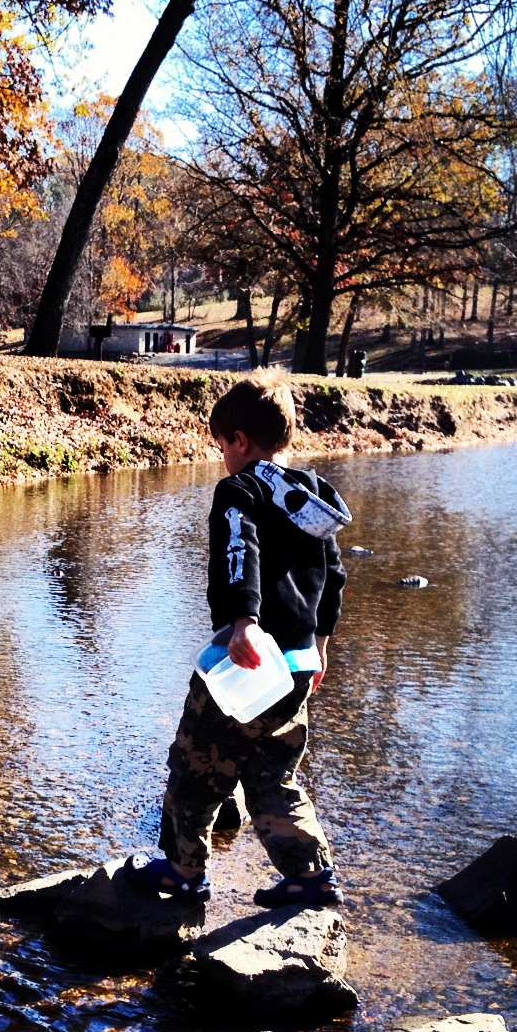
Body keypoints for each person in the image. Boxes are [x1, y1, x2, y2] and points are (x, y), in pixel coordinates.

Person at [126, 370, 349, 908]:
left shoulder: (239, 490)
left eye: (222, 445)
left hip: (250, 661)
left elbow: (238, 547)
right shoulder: (312, 495)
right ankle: (311, 876)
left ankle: (183, 871)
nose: (222, 456)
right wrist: (321, 644)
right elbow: (335, 574)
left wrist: (244, 619)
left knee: (194, 762)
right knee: (273, 774)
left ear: (241, 442)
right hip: (297, 666)